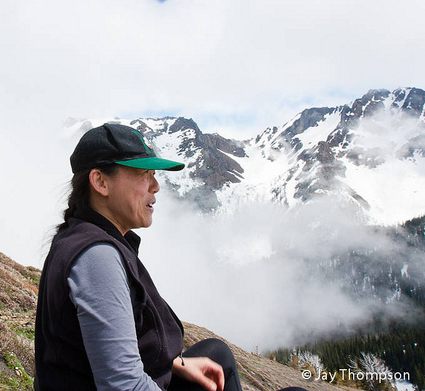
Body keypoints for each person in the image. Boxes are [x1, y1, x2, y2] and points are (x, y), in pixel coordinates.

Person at [34, 123, 304, 391]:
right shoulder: (98, 257)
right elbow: (123, 385)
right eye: (144, 174)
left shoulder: (83, 236)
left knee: (215, 355)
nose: (156, 186)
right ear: (100, 182)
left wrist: (175, 364)